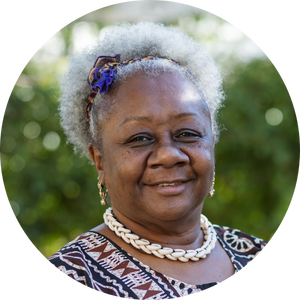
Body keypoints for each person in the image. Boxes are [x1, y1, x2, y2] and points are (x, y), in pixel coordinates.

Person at [46, 21, 269, 299]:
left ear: (212, 143)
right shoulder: (74, 274)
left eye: (187, 133)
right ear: (100, 161)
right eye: (140, 138)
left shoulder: (254, 252)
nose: (168, 154)